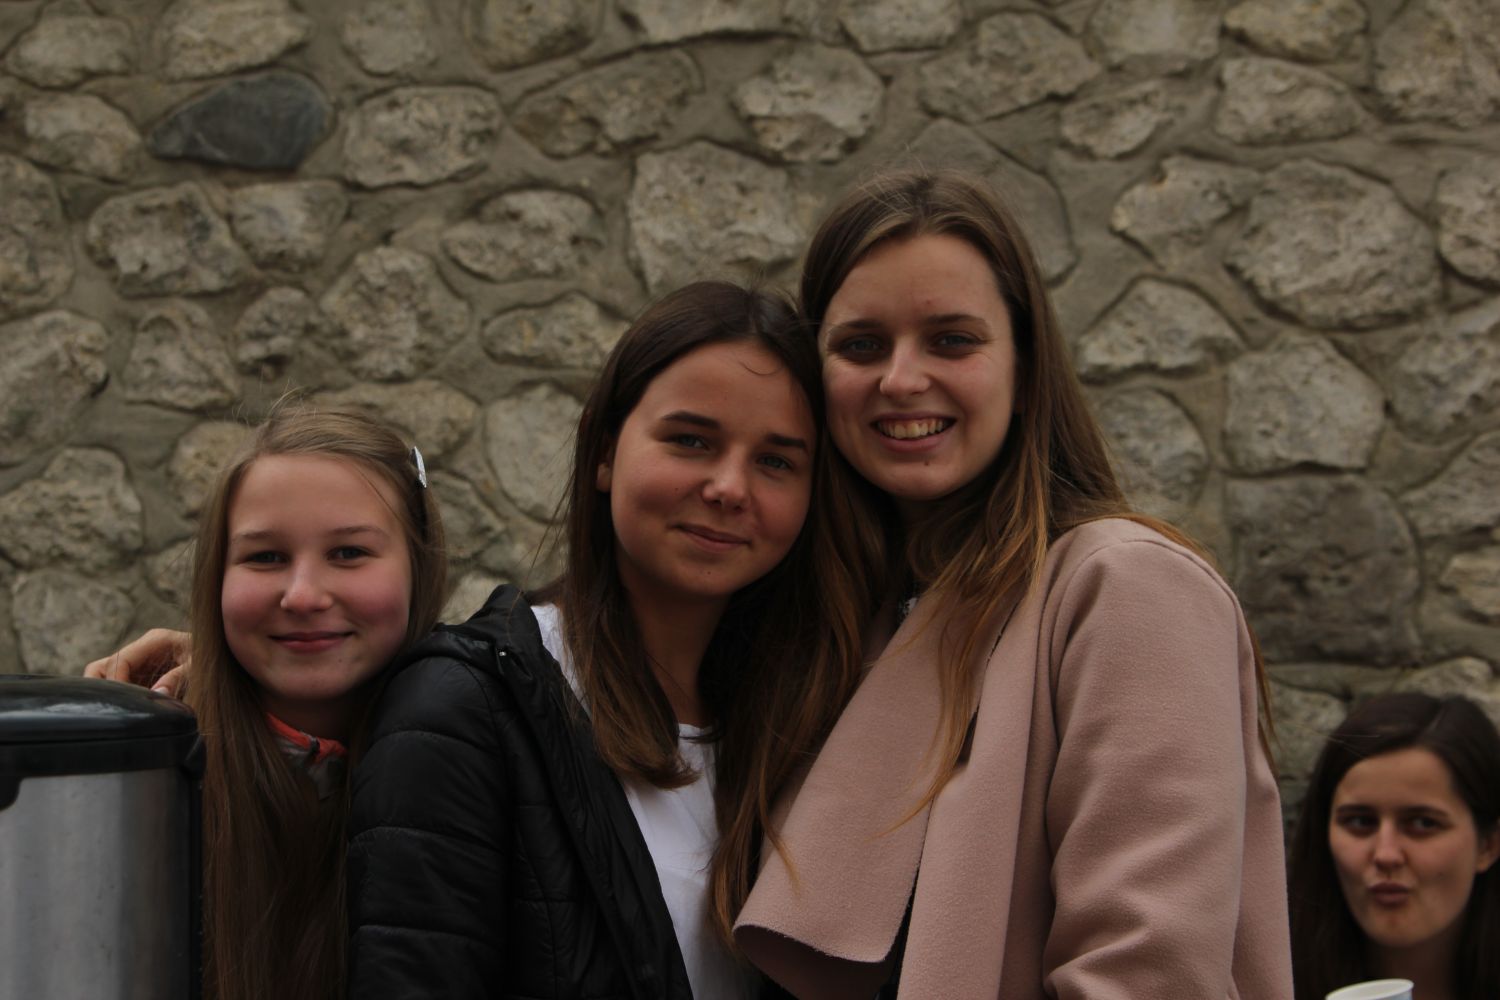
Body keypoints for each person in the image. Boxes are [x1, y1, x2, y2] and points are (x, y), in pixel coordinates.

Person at [732, 169, 1294, 997]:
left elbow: (1145, 974)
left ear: (1026, 370)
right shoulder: (839, 622)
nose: (901, 379)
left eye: (952, 340)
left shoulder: (1125, 587)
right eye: (861, 345)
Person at [345, 281, 861, 999]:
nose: (729, 487)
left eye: (776, 461)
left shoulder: (815, 727)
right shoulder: (467, 710)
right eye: (690, 440)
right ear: (605, 451)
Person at [162, 405, 445, 1000]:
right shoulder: (150, 785)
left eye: (348, 553)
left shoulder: (489, 767)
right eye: (265, 557)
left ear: (419, 566)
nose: (303, 595)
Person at [1288, 692, 1500, 1000]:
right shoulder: (1266, 986)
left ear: (1488, 845)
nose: (1386, 854)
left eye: (1423, 824)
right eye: (1360, 822)